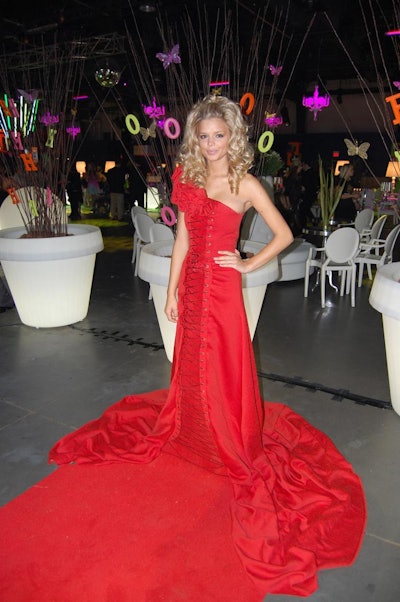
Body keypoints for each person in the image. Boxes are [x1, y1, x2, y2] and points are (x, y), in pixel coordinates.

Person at [48, 96, 366, 597]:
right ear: (195, 138)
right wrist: (172, 290)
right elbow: (182, 241)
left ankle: (228, 439)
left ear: (232, 138)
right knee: (189, 363)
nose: (212, 143)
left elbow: (284, 233)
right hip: (193, 287)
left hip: (220, 290)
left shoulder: (245, 184)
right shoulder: (188, 179)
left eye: (219, 135)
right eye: (204, 136)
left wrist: (245, 263)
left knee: (222, 365)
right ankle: (194, 430)